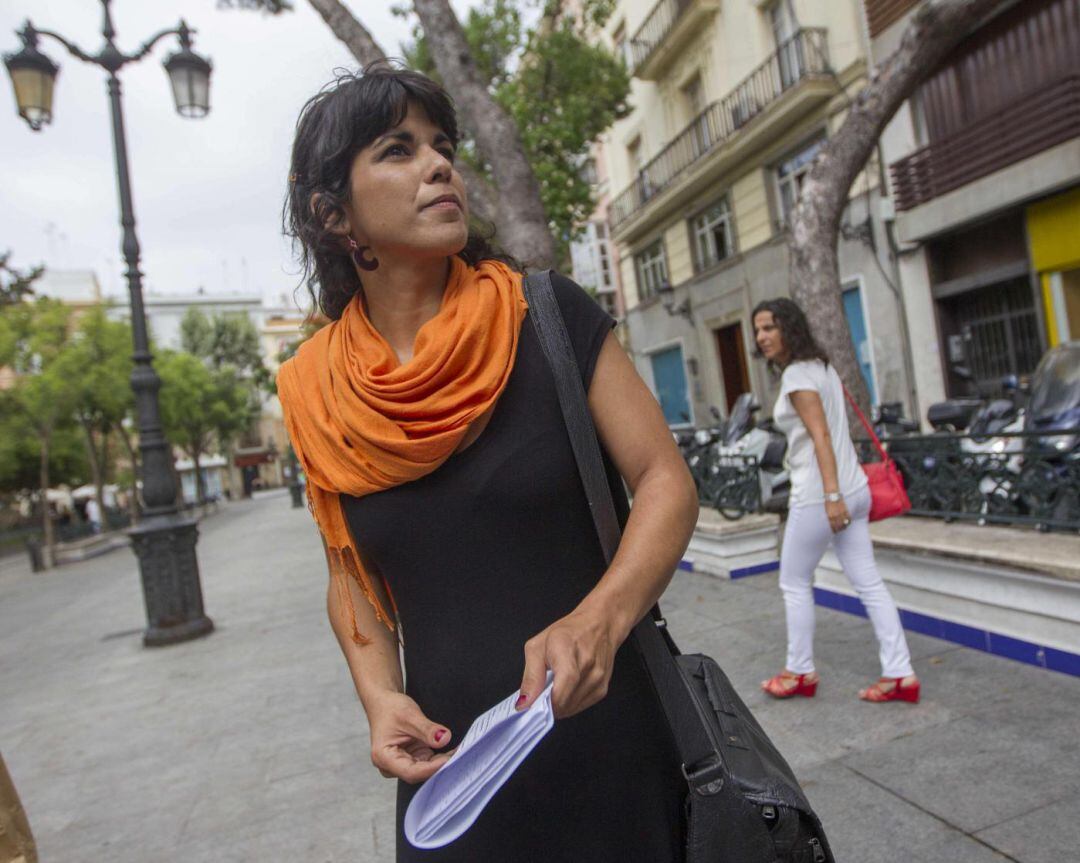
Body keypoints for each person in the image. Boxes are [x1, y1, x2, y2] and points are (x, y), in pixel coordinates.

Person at [276, 64, 699, 862]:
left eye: (443, 146)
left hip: (611, 745)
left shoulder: (544, 313)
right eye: (398, 151)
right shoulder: (316, 391)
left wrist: (599, 619)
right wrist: (379, 697)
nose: (439, 164)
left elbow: (665, 481)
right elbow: (350, 577)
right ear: (335, 215)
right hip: (455, 780)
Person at [751, 298, 920, 704]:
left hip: (821, 494)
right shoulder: (822, 368)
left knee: (793, 582)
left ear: (789, 328)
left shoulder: (797, 377)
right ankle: (900, 674)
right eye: (757, 330)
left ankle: (799, 672)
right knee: (869, 582)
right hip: (854, 487)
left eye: (770, 328)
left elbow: (821, 437)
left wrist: (830, 497)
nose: (762, 337)